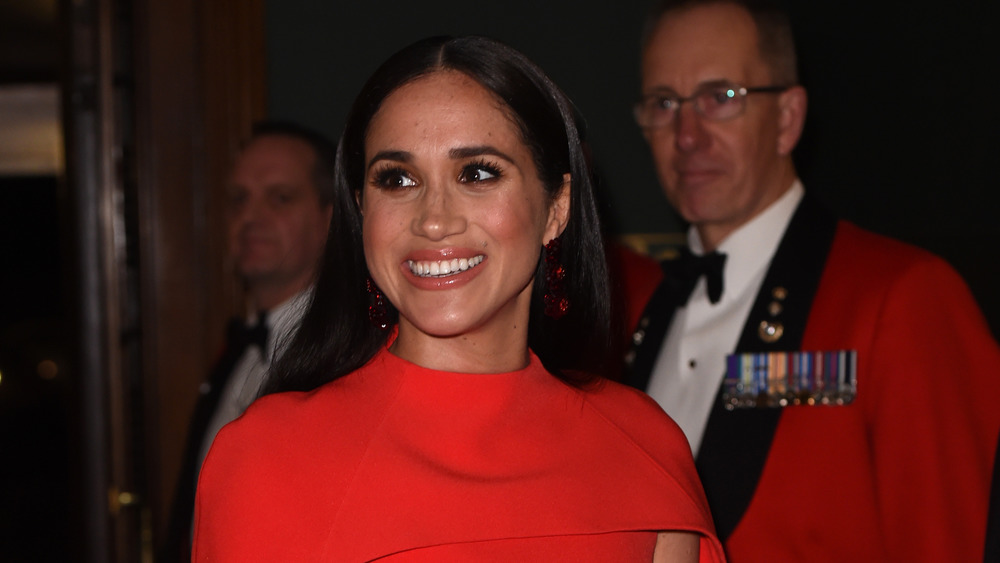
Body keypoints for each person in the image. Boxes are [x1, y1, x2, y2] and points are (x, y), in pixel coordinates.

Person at [192, 35, 726, 561]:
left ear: (556, 207)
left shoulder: (644, 445)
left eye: (477, 173)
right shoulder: (268, 458)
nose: (433, 218)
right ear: (361, 211)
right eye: (397, 179)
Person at [621, 0, 1000, 561]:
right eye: (664, 103)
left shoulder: (904, 296)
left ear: (788, 119)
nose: (687, 135)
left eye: (720, 98)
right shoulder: (633, 308)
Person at [159, 121, 335, 561]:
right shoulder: (239, 343)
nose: (250, 217)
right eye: (239, 199)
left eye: (280, 197)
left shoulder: (339, 358)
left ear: (330, 219)